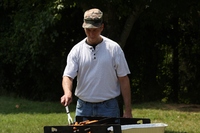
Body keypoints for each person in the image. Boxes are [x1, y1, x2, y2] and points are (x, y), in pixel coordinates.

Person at [60, 8, 132, 118]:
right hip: (83, 107)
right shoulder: (77, 50)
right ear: (83, 27)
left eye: (95, 30)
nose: (91, 33)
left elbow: (124, 79)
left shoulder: (114, 49)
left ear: (102, 27)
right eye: (88, 30)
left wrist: (128, 110)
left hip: (109, 107)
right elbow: (68, 76)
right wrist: (67, 92)